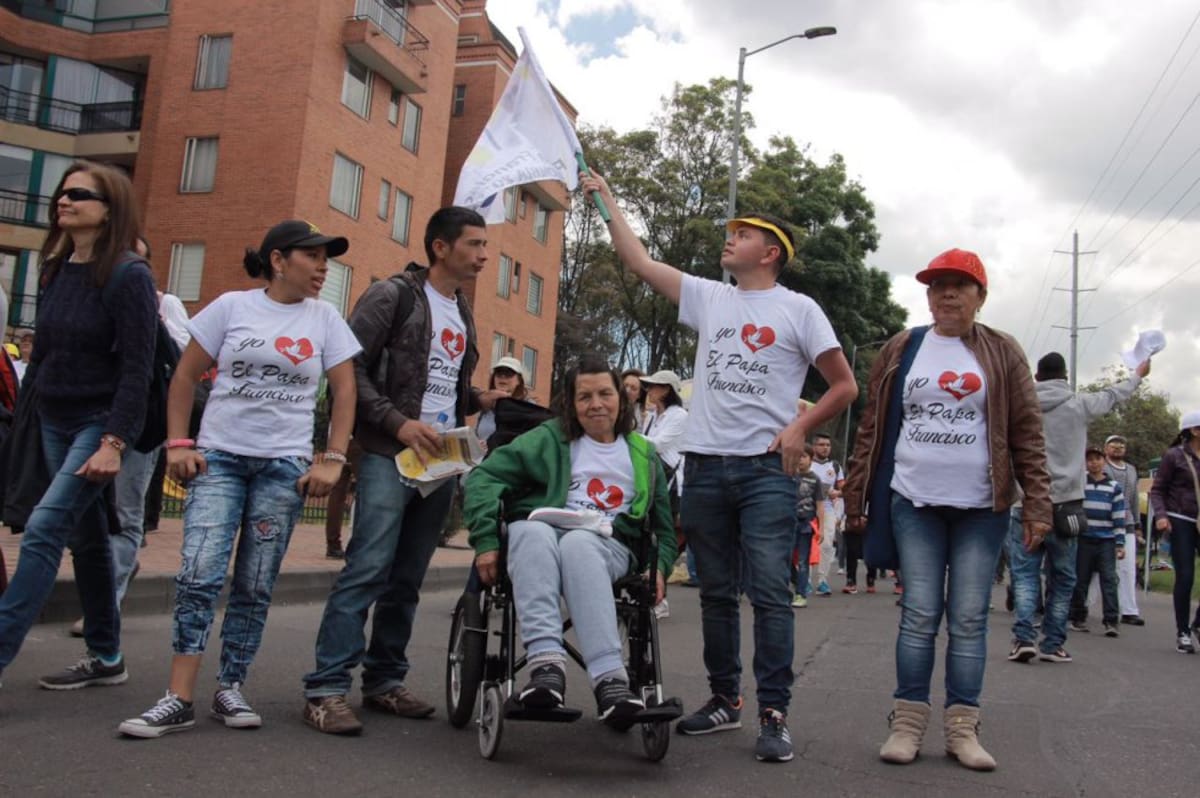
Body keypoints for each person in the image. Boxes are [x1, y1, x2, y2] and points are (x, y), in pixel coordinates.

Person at [581, 172, 857, 764]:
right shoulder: (711, 297)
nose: (728, 239)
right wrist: (605, 200)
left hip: (764, 473)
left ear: (771, 252)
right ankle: (725, 700)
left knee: (769, 594)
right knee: (715, 596)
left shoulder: (799, 309)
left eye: (742, 234)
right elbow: (637, 260)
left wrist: (798, 429)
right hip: (705, 468)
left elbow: (843, 386)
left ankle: (774, 714)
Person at [117, 220, 360, 737]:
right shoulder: (232, 306)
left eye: (326, 260)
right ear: (278, 259)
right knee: (199, 573)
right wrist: (180, 444)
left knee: (254, 583)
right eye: (312, 257)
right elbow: (184, 376)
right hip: (220, 459)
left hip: (283, 468)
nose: (322, 269)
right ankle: (178, 697)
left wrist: (332, 459)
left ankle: (231, 687)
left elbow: (344, 392)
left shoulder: (326, 319)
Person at [842, 248, 1051, 772]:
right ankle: (907, 724)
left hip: (983, 507)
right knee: (918, 615)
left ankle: (963, 729)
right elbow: (873, 425)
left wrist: (1038, 505)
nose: (948, 294)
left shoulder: (1003, 352)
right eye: (938, 286)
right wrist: (856, 494)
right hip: (914, 500)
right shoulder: (902, 348)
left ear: (981, 296)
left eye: (960, 285)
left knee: (969, 618)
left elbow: (1027, 431)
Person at [302, 207, 504, 735]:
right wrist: (397, 423)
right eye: (476, 244)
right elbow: (347, 371)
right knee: (367, 568)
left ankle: (384, 681)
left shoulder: (461, 307)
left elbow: (441, 385)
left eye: (486, 245)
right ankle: (325, 688)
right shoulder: (392, 295)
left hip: (440, 462)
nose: (485, 255)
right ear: (441, 247)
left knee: (408, 577)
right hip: (391, 453)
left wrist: (480, 396)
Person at [0, 161, 157, 692]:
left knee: (45, 530)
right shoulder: (54, 269)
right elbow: (41, 357)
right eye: (62, 194)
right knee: (87, 540)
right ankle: (107, 656)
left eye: (78, 194)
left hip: (98, 423)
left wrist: (115, 442)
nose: (64, 201)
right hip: (51, 419)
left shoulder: (129, 275)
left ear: (109, 208)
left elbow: (138, 368)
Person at [464, 356, 677, 727]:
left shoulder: (644, 455)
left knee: (579, 543)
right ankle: (546, 669)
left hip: (606, 545)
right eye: (585, 397)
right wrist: (485, 540)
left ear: (621, 400)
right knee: (528, 530)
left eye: (605, 394)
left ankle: (610, 680)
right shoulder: (549, 439)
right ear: (571, 403)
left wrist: (657, 569)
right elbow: (484, 479)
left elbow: (664, 528)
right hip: (542, 538)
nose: (596, 404)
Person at [1009, 352, 1148, 666]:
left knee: (1025, 576)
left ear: (1037, 378)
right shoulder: (1079, 404)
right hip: (1068, 506)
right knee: (1063, 578)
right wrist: (1138, 374)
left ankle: (1023, 639)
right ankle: (1053, 642)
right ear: (1065, 376)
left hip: (1027, 503)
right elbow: (1114, 394)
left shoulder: (1021, 406)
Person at [1149, 411, 1200, 654]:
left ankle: (1198, 624)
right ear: (1194, 430)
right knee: (1186, 575)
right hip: (1181, 519)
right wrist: (1161, 515)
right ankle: (1183, 632)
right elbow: (1157, 490)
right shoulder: (1175, 456)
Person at [638, 369, 688, 619]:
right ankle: (653, 593)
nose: (648, 391)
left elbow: (656, 445)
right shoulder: (651, 417)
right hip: (653, 479)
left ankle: (661, 597)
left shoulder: (679, 415)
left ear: (667, 390)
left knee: (662, 537)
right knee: (649, 536)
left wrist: (626, 437)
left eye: (653, 386)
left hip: (669, 485)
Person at [1068, 446, 1126, 637]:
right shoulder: (1080, 482)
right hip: (1084, 537)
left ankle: (1111, 621)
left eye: (1097, 459)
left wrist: (1120, 542)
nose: (1094, 462)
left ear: (1104, 461)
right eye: (1090, 459)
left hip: (1106, 539)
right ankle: (1078, 616)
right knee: (1081, 579)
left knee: (1109, 579)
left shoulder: (1114, 487)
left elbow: (1118, 515)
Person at [1103, 434, 1144, 625]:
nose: (1117, 448)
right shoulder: (1100, 466)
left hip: (1126, 522)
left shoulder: (1132, 470)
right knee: (1096, 569)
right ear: (1106, 449)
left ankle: (1129, 610)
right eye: (1113, 445)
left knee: (1127, 568)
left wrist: (1137, 525)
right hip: (1102, 521)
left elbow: (1134, 497)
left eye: (1121, 445)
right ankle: (1080, 606)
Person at [809, 433, 845, 596]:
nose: (825, 448)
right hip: (807, 509)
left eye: (827, 445)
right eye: (821, 445)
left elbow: (843, 488)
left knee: (827, 544)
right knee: (807, 545)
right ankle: (805, 580)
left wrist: (837, 493)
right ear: (814, 447)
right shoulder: (806, 463)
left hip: (828, 510)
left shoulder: (835, 466)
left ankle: (822, 580)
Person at [790, 444, 824, 608]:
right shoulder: (789, 476)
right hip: (788, 524)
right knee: (785, 559)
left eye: (803, 456)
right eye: (798, 456)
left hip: (806, 525)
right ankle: (797, 584)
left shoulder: (815, 480)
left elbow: (820, 505)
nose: (800, 460)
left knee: (803, 561)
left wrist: (821, 528)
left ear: (811, 459)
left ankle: (800, 594)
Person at [475, 356, 530, 448]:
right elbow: (477, 434)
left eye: (509, 373)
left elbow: (529, 441)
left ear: (519, 380)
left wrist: (493, 444)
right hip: (484, 460)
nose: (503, 377)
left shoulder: (527, 407)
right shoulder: (487, 405)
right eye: (499, 373)